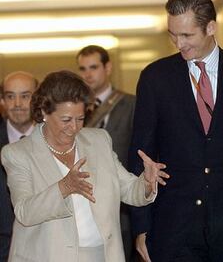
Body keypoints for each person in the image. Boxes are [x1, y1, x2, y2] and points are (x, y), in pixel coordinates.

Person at [128, 0, 223, 262]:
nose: (179, 43)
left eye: (186, 35)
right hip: (175, 230)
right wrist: (141, 227)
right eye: (173, 34)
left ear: (211, 28)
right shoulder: (155, 78)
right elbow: (140, 156)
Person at [1, 70, 168, 262]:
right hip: (46, 255)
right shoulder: (18, 153)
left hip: (103, 255)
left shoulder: (99, 140)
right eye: (66, 120)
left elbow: (128, 189)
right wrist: (63, 187)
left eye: (80, 118)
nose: (74, 127)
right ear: (44, 112)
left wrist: (146, 182)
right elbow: (24, 212)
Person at [76, 45, 136, 261]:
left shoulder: (130, 104)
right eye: (82, 69)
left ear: (108, 67)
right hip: (83, 201)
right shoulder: (74, 109)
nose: (87, 74)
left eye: (93, 67)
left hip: (120, 204)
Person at [0, 71, 37, 262]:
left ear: (37, 98)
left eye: (25, 96)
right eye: (10, 96)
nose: (17, 104)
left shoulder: (57, 139)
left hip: (47, 248)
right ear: (2, 100)